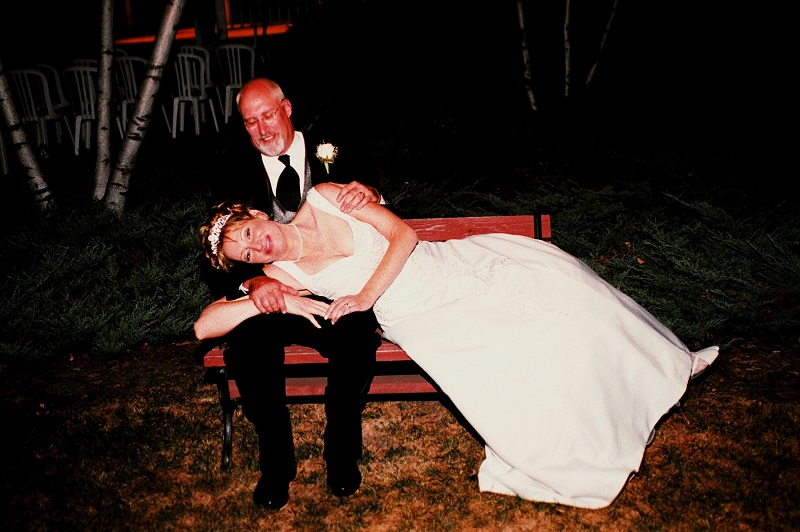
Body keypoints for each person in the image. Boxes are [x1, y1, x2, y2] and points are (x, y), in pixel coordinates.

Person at [195, 183, 720, 509]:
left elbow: (404, 236)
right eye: (244, 253)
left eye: (247, 232)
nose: (255, 245)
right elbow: (204, 328)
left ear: (257, 214)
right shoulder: (279, 276)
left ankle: (654, 367)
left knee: (563, 289)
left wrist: (363, 296)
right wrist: (263, 297)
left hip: (445, 269)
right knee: (503, 354)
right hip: (416, 317)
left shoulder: (327, 197)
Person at [207, 78, 384, 510]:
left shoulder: (335, 144)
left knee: (356, 336)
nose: (262, 130)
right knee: (248, 346)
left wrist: (373, 193)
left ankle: (341, 453)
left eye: (268, 116)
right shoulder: (230, 170)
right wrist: (254, 282)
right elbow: (224, 252)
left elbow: (377, 200)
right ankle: (276, 463)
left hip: (334, 286)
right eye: (250, 122)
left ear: (286, 108)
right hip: (275, 291)